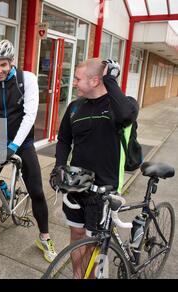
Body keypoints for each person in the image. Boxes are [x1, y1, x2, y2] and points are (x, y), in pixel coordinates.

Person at [0, 39, 57, 263]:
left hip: (23, 140)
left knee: (36, 189)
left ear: (11, 62)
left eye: (3, 65)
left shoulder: (26, 80)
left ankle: (44, 238)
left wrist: (14, 146)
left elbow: (29, 116)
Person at [50, 58, 139, 277]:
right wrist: (59, 166)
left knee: (96, 242)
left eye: (78, 79)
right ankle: (78, 275)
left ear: (95, 80)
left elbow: (127, 116)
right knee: (77, 233)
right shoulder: (74, 107)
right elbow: (63, 140)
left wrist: (111, 79)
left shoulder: (120, 105)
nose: (74, 83)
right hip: (77, 183)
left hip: (104, 188)